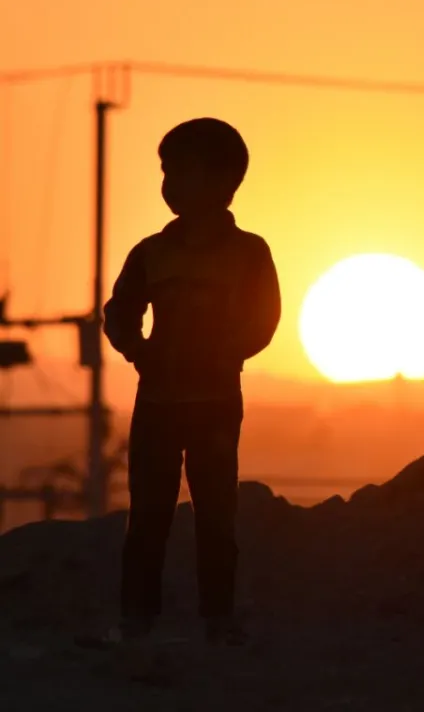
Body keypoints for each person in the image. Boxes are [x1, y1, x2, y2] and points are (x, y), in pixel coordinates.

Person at [103, 118, 281, 646]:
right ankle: (137, 619)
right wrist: (139, 353)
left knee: (216, 513)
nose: (168, 183)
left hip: (217, 402)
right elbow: (119, 312)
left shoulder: (248, 252)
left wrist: (225, 354)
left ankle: (217, 619)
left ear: (222, 178)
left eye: (177, 170)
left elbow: (264, 318)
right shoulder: (151, 252)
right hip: (156, 401)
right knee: (149, 514)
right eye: (164, 172)